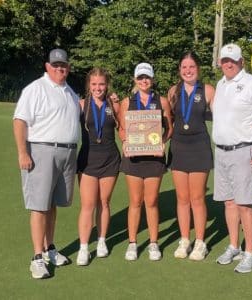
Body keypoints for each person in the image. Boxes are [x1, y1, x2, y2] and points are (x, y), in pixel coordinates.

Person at [13, 49, 80, 279]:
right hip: (41, 151)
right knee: (39, 206)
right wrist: (23, 152)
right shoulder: (35, 89)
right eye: (55, 65)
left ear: (68, 67)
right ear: (47, 66)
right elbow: (20, 121)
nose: (60, 69)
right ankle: (37, 257)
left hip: (66, 154)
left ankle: (49, 248)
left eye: (63, 65)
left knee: (52, 205)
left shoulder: (69, 92)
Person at [212, 43, 252, 273]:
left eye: (233, 60)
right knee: (229, 202)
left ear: (241, 62)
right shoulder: (220, 84)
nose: (228, 64)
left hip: (244, 150)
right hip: (222, 151)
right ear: (220, 62)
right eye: (225, 60)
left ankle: (251, 253)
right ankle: (234, 246)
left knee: (245, 204)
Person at [119, 63, 173, 261]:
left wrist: (163, 143)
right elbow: (122, 128)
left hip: (154, 158)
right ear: (135, 79)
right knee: (135, 202)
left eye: (147, 77)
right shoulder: (127, 102)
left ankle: (153, 243)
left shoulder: (162, 101)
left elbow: (169, 128)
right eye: (140, 77)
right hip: (133, 158)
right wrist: (125, 141)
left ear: (152, 79)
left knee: (151, 202)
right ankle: (132, 243)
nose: (144, 81)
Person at [167, 52, 215, 261]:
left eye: (192, 67)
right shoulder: (173, 91)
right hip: (178, 147)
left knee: (197, 198)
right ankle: (185, 239)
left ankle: (200, 242)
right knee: (182, 198)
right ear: (180, 70)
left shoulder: (208, 90)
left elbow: (223, 115)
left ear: (198, 69)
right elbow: (166, 119)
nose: (188, 71)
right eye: (184, 67)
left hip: (199, 147)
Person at [76, 68, 121, 266]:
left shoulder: (115, 104)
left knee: (104, 202)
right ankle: (84, 248)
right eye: (94, 84)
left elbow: (126, 128)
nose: (98, 88)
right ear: (88, 85)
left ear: (107, 84)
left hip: (110, 159)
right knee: (87, 205)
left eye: (101, 84)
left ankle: (101, 240)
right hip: (87, 160)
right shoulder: (81, 105)